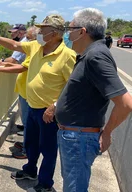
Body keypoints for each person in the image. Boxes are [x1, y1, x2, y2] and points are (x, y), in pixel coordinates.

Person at [0, 14, 76, 192]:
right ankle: (30, 170)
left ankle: (45, 184)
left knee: (48, 150)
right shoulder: (37, 46)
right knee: (31, 144)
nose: (39, 33)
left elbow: (72, 87)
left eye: (42, 30)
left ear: (54, 34)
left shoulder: (67, 56)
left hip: (49, 113)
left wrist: (54, 106)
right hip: (32, 106)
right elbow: (14, 45)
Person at [56, 8, 132, 192]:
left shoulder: (95, 56)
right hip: (75, 136)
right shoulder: (90, 54)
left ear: (82, 32)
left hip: (79, 138)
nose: (67, 33)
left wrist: (106, 133)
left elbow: (125, 103)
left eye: (70, 28)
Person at [0, 26, 39, 159]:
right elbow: (23, 66)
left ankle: (27, 151)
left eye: (29, 37)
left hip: (29, 93)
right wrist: (6, 65)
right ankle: (27, 146)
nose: (26, 40)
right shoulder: (35, 49)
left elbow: (21, 68)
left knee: (29, 124)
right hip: (25, 91)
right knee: (28, 123)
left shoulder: (36, 49)